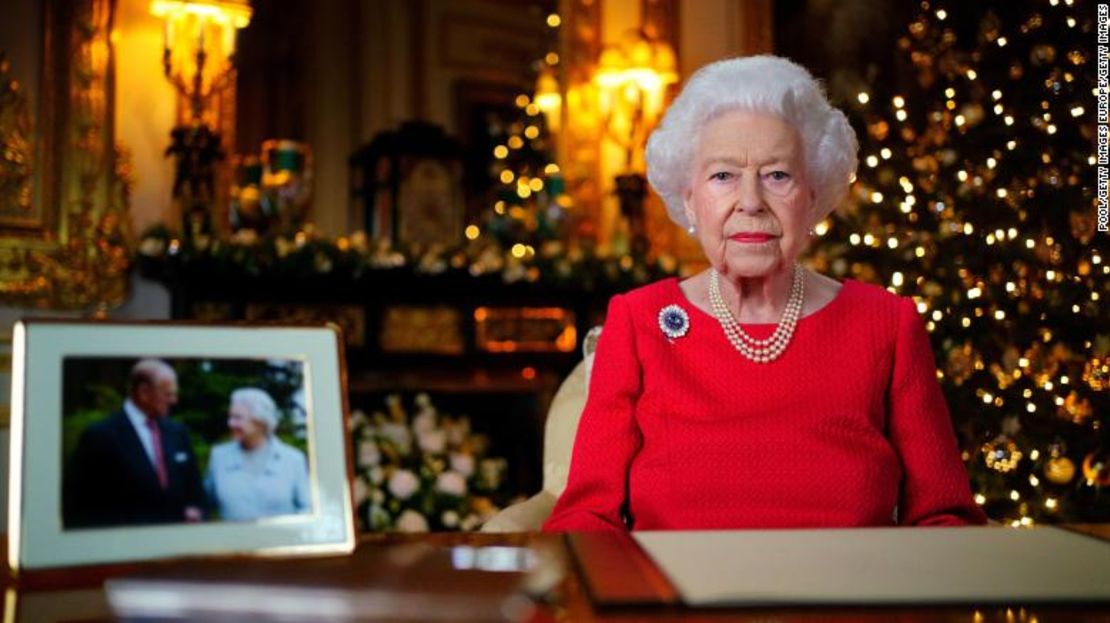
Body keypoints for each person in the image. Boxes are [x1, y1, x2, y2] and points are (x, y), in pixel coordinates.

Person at [544, 56, 988, 532]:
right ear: (690, 198)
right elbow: (586, 519)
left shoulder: (885, 323)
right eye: (723, 176)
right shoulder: (638, 321)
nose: (751, 201)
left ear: (813, 196)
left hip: (846, 600)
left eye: (778, 175)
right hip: (679, 602)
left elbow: (945, 517)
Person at [64, 359, 205, 528]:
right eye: (168, 394)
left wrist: (196, 510)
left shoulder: (178, 433)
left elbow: (196, 491)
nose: (174, 400)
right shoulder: (100, 436)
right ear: (144, 392)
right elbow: (77, 505)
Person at [205, 387, 311, 521]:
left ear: (260, 423)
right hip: (233, 541)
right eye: (230, 417)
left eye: (237, 418)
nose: (230, 423)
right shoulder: (219, 456)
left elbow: (307, 508)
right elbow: (204, 505)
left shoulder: (293, 459)